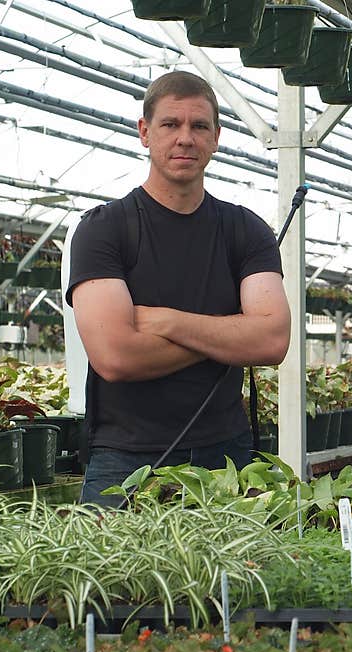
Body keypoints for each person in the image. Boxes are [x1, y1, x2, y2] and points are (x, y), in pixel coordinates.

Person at [66, 70, 290, 508]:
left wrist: (166, 321)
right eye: (171, 124)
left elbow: (272, 340)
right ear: (145, 133)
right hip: (124, 459)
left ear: (216, 137)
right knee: (116, 576)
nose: (185, 138)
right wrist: (230, 335)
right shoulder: (105, 230)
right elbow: (115, 357)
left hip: (226, 459)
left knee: (237, 578)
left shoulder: (245, 231)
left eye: (199, 126)